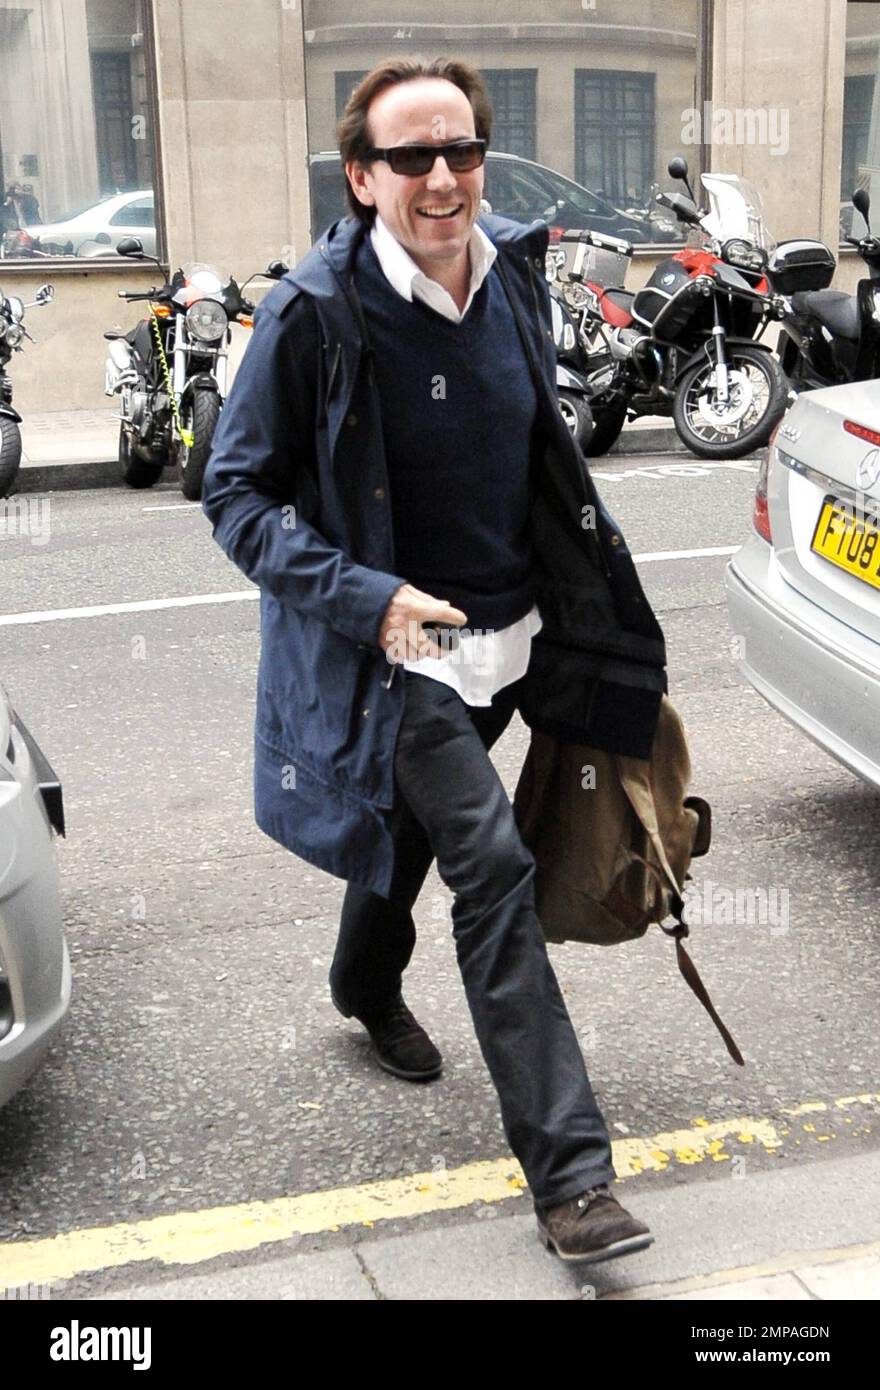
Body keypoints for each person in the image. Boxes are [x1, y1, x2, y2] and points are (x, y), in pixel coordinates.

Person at [202, 55, 667, 1265]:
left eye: (460, 150)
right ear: (362, 177)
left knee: (410, 833)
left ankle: (362, 979)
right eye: (410, 156)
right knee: (492, 865)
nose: (443, 176)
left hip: (515, 636)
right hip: (399, 647)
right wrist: (365, 595)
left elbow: (537, 453)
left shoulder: (513, 271)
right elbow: (237, 492)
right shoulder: (316, 311)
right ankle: (571, 1176)